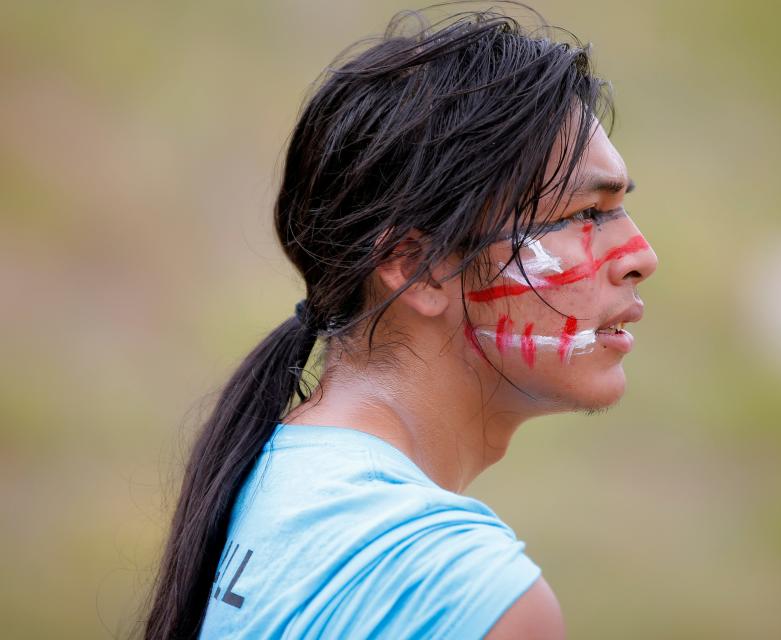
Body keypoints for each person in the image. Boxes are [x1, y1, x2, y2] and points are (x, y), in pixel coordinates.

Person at [145, 4, 658, 639]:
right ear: (417, 266)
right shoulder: (468, 592)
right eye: (586, 214)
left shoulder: (277, 478)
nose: (641, 256)